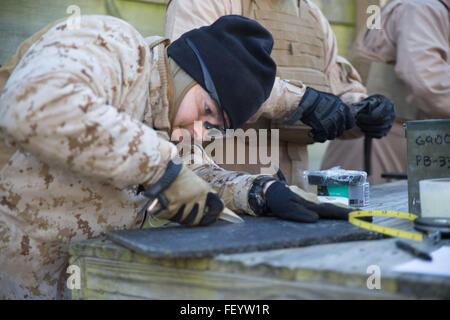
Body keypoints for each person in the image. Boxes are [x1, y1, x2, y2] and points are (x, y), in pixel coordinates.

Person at [0, 14, 356, 299]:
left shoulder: (171, 116)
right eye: (205, 110)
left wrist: (261, 192)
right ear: (186, 69)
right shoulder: (112, 43)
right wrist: (159, 169)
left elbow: (192, 170)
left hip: (78, 280)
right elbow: (37, 108)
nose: (200, 132)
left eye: (215, 127)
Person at [165, 0, 396, 188]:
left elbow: (333, 90)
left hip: (293, 188)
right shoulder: (204, 3)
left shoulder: (312, 17)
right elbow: (193, 78)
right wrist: (302, 101)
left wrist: (361, 111)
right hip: (221, 186)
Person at [322, 0, 450, 184]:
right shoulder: (422, 8)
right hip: (379, 142)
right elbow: (429, 85)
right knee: (367, 209)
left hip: (390, 139)